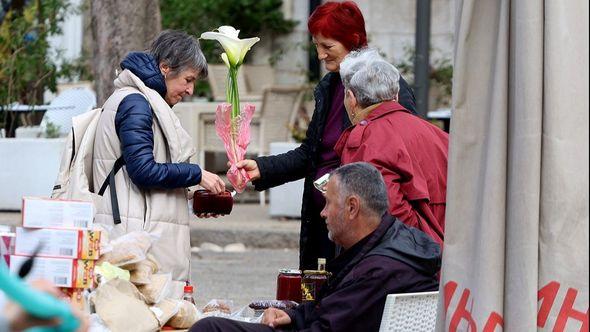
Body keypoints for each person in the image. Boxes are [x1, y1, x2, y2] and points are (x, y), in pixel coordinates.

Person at [236, 1, 417, 270]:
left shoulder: (387, 86)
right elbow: (311, 153)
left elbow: (400, 162)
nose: (320, 55)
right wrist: (261, 168)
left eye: (328, 47)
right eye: (316, 46)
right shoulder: (331, 85)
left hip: (362, 229)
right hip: (326, 221)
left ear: (353, 41)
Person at [190, 162, 440, 332]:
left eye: (328, 203)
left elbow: (329, 322)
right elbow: (336, 306)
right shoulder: (391, 242)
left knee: (210, 328)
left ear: (352, 208)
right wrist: (295, 315)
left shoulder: (381, 267)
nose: (322, 213)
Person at [92, 30, 225, 294]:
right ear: (165, 68)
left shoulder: (143, 100)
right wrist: (195, 173)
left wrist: (191, 195)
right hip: (132, 235)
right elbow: (142, 170)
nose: (190, 90)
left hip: (134, 227)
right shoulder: (136, 103)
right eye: (188, 80)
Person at [336, 48, 448, 245]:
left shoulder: (368, 139)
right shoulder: (439, 135)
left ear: (351, 99)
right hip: (449, 257)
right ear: (395, 95)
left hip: (408, 260)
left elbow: (383, 212)